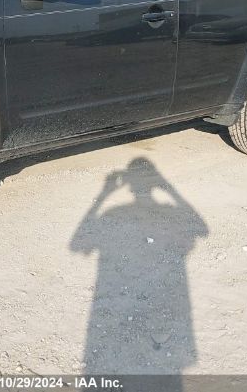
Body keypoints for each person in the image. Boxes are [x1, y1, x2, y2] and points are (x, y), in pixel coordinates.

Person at [71, 157, 207, 376]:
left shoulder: (112, 213)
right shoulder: (167, 210)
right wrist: (168, 187)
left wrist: (104, 194)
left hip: (113, 305)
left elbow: (76, 244)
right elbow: (202, 229)